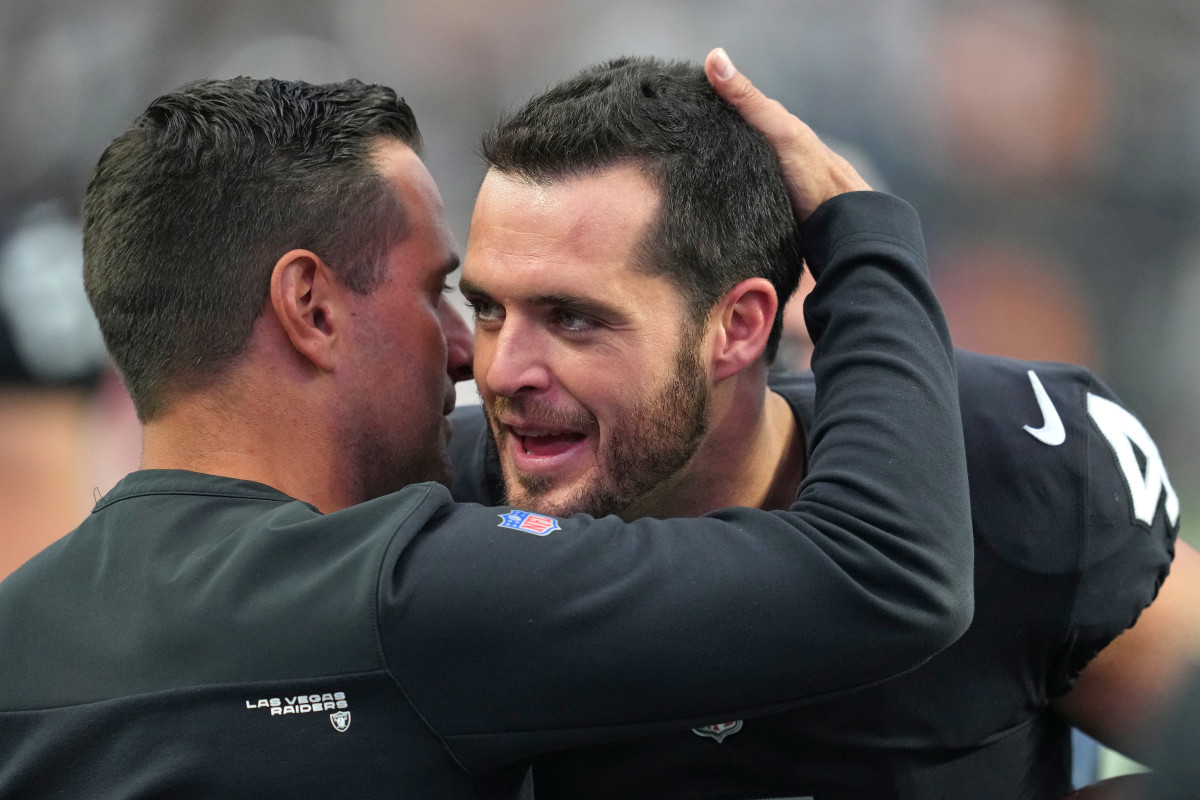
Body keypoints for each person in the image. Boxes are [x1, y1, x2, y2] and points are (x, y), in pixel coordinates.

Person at [0, 61, 976, 798]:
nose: (475, 356)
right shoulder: (416, 591)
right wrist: (862, 236)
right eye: (441, 294)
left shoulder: (18, 633)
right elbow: (888, 570)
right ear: (312, 307)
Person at [447, 51, 1196, 799]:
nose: (502, 372)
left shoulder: (1010, 464)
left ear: (739, 328)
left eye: (572, 318)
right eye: (487, 309)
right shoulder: (435, 505)